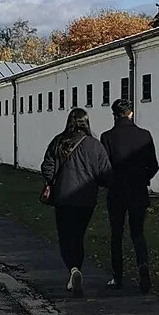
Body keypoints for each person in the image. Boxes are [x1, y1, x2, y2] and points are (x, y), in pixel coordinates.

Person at [39, 106, 110, 297]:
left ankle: (73, 269)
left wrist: (52, 181)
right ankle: (76, 268)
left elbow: (47, 166)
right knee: (78, 235)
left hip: (63, 197)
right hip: (86, 199)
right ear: (86, 122)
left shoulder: (59, 142)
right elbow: (105, 174)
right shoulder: (95, 145)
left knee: (65, 236)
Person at [100, 95, 159, 292]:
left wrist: (109, 183)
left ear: (114, 115)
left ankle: (117, 276)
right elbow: (154, 165)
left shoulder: (107, 137)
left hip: (116, 192)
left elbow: (104, 167)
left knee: (116, 234)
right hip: (138, 191)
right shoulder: (145, 135)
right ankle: (142, 265)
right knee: (138, 232)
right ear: (131, 114)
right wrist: (143, 179)